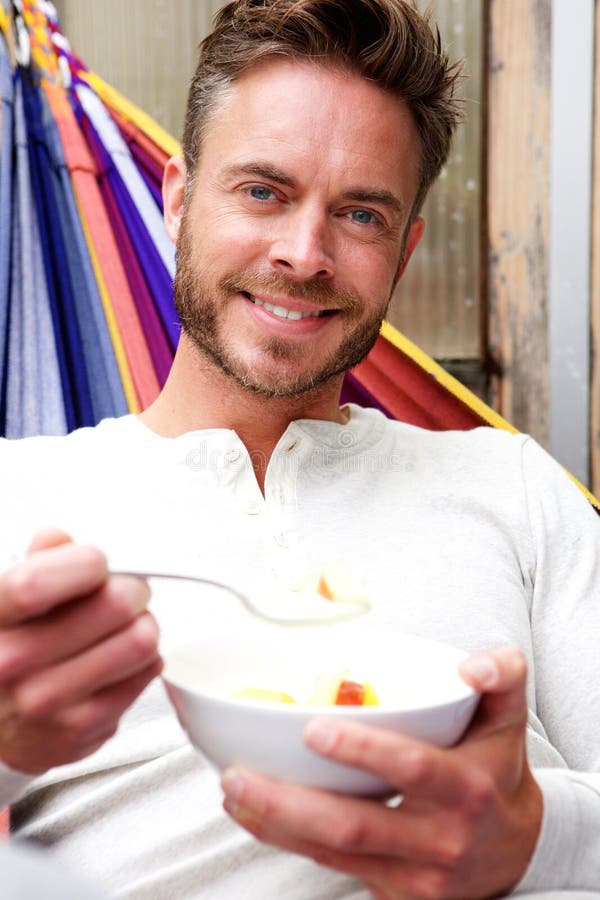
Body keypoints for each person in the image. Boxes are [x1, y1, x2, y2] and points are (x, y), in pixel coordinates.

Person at [0, 1, 598, 897]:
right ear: (176, 196)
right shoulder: (22, 496)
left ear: (404, 253)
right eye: (262, 191)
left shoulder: (511, 486)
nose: (305, 253)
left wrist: (534, 838)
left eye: (360, 215)